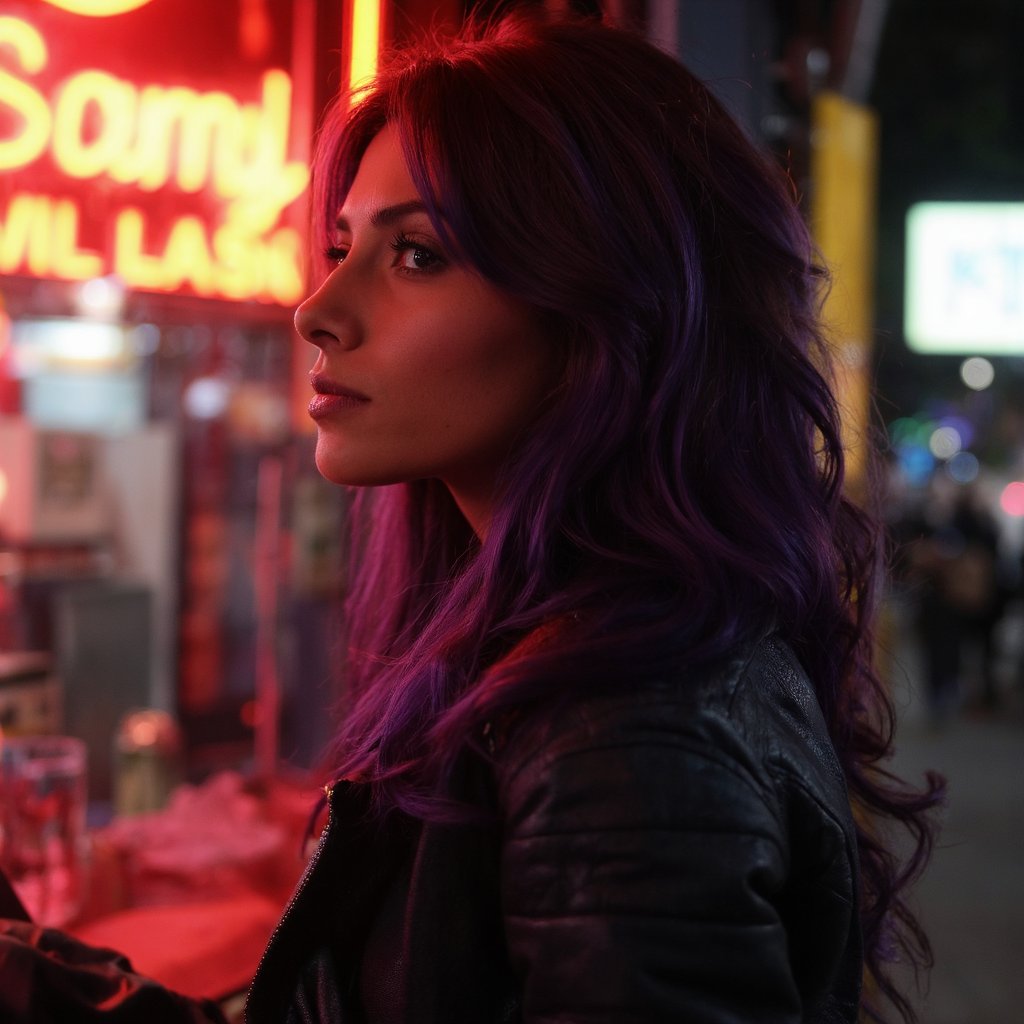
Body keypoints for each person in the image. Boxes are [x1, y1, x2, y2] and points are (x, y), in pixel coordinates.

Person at [0, 11, 942, 1024]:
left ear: (606, 310)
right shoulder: (590, 655)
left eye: (415, 255)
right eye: (340, 245)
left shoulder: (623, 732)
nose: (317, 307)